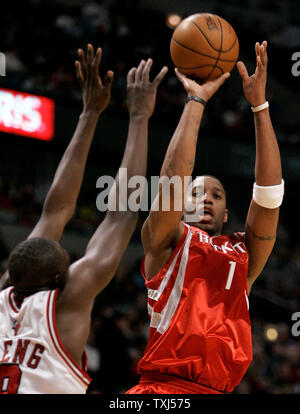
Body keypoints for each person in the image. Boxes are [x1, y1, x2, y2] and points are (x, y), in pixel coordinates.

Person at [0, 45, 168, 394]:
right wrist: (138, 118)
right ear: (61, 280)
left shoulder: (5, 293)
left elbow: (55, 211)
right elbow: (122, 214)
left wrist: (89, 113)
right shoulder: (65, 303)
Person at [126, 41, 284, 394]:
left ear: (227, 212)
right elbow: (172, 178)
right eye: (196, 193)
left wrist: (259, 105)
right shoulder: (167, 239)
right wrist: (196, 101)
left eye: (216, 195)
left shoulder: (244, 255)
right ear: (182, 205)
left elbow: (270, 194)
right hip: (163, 390)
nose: (206, 199)